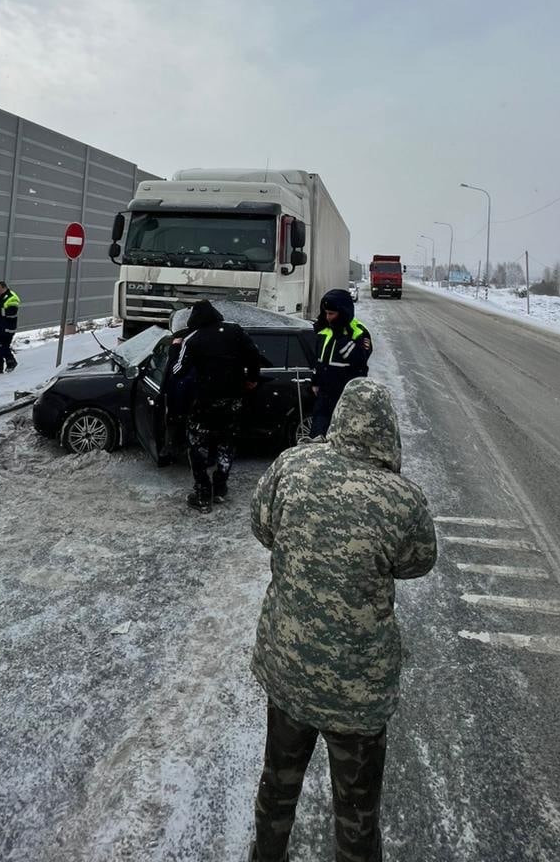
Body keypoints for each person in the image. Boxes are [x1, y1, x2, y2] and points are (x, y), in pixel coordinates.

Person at [248, 377, 437, 862]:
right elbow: (418, 562)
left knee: (278, 785)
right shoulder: (403, 500)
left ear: (339, 420)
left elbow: (261, 525)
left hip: (289, 670)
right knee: (356, 810)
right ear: (387, 431)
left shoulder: (292, 466)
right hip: (359, 692)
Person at [171, 299, 263, 513]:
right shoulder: (234, 331)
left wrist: (174, 349)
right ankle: (220, 489)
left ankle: (203, 494)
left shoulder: (193, 339)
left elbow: (178, 372)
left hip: (206, 402)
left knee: (197, 445)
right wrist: (253, 378)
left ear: (194, 319)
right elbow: (254, 354)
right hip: (233, 400)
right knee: (226, 444)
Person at [310, 288, 372, 439]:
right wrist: (315, 382)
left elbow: (357, 360)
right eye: (326, 313)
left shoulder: (358, 332)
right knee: (316, 439)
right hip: (324, 396)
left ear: (343, 313)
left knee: (342, 440)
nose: (328, 318)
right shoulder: (324, 332)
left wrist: (340, 334)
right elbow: (318, 360)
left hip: (347, 398)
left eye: (332, 314)